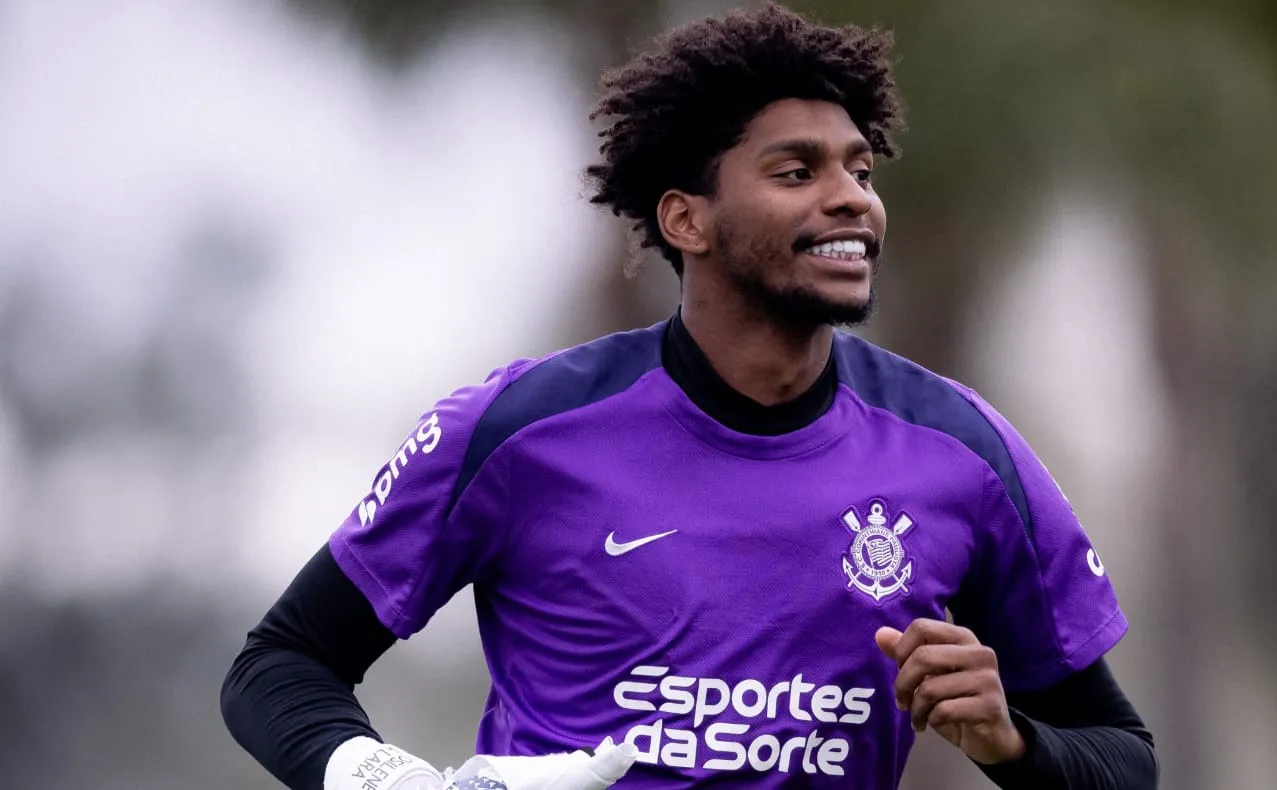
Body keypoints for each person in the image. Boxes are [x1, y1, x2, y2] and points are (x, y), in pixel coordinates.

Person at [221, 4, 1158, 788]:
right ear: (687, 217)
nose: (853, 200)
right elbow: (281, 665)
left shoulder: (963, 452)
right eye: (798, 172)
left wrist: (1014, 744)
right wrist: (379, 779)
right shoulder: (517, 432)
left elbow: (1124, 759)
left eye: (861, 172)